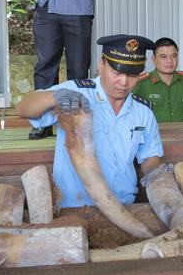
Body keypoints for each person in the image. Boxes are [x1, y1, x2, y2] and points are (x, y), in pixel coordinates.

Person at [16, 35, 163, 208]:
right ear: (101, 65)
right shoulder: (75, 92)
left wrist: (156, 174)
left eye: (132, 75)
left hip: (125, 206)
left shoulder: (143, 112)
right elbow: (23, 108)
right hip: (74, 207)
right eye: (116, 72)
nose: (123, 82)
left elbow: (149, 157)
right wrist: (54, 97)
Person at [24, 0, 103, 140]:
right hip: (47, 6)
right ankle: (43, 122)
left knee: (78, 67)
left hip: (77, 7)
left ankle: (76, 121)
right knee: (45, 66)